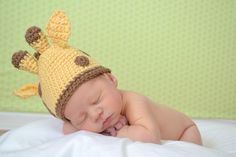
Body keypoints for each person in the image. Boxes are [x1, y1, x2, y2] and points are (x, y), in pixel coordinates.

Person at [11, 10, 202, 145]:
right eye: (81, 117)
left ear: (110, 79)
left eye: (96, 100)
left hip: (184, 130)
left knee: (186, 151)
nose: (96, 115)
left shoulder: (133, 102)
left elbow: (150, 137)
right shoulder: (97, 117)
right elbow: (67, 129)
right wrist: (77, 125)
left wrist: (119, 131)